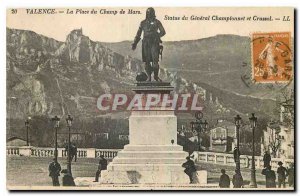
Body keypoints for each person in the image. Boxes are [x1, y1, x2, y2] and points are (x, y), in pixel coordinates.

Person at [132, 7, 166, 82]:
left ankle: (156, 77)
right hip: (146, 44)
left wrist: (157, 36)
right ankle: (149, 77)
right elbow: (138, 34)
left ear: (153, 14)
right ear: (147, 14)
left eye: (151, 13)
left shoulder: (157, 22)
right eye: (148, 13)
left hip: (154, 43)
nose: (150, 14)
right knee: (147, 62)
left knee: (155, 61)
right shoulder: (143, 23)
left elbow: (163, 32)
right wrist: (134, 43)